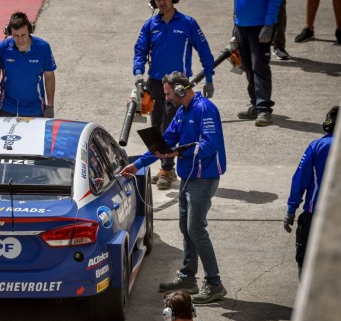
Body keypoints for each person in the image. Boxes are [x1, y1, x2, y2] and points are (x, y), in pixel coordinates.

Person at [120, 72, 227, 304]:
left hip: (203, 178)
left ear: (180, 90)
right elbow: (166, 141)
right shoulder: (182, 111)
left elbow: (210, 144)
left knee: (196, 229)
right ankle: (189, 277)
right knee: (185, 227)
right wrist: (137, 164)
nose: (166, 98)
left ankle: (214, 283)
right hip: (189, 177)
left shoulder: (204, 109)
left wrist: (178, 152)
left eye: (168, 94)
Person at [134, 0, 216, 190]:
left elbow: (204, 50)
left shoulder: (188, 23)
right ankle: (167, 168)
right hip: (155, 83)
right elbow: (140, 50)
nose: (162, 2)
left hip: (178, 84)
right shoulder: (150, 25)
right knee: (156, 128)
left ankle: (167, 168)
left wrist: (209, 78)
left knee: (168, 127)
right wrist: (138, 72)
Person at [284, 106, 337, 278]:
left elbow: (300, 180)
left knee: (306, 264)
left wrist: (291, 210)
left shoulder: (317, 146)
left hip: (317, 215)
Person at [0, 11, 56, 118]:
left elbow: (49, 77)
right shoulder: (2, 48)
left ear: (30, 30)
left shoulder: (43, 48)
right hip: (7, 107)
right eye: (16, 35)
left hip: (35, 108)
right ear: (9, 33)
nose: (20, 39)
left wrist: (50, 106)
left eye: (23, 35)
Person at [234, 0, 283, 127]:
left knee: (260, 68)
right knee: (247, 67)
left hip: (260, 26)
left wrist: (268, 24)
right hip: (241, 26)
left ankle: (264, 110)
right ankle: (256, 105)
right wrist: (235, 22)